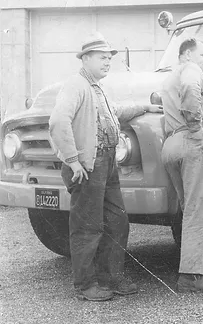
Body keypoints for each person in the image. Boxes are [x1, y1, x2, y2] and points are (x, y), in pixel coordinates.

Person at [49, 33, 162, 301]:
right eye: (102, 58)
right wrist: (73, 160)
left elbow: (116, 113)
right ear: (85, 59)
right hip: (89, 165)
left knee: (117, 220)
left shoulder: (97, 88)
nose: (108, 62)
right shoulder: (76, 85)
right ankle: (85, 286)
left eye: (110, 58)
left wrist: (145, 106)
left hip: (107, 163)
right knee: (88, 226)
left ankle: (110, 279)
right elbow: (58, 121)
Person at [161, 38, 203, 293]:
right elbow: (190, 88)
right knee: (201, 209)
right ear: (186, 55)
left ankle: (200, 268)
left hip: (174, 142)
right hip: (192, 142)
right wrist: (197, 129)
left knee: (191, 208)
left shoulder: (169, 77)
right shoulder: (190, 70)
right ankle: (191, 275)